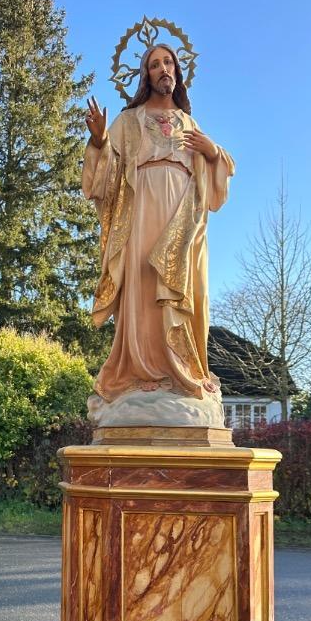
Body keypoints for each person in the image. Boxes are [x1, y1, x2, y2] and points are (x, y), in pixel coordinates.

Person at [83, 44, 234, 411]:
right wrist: (100, 139)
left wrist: (212, 151)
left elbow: (216, 187)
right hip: (140, 206)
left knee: (179, 287)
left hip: (182, 212)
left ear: (178, 72)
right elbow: (104, 176)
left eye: (168, 63)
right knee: (141, 284)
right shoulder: (129, 120)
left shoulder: (189, 123)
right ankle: (140, 371)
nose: (163, 69)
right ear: (146, 75)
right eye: (154, 65)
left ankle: (180, 368)